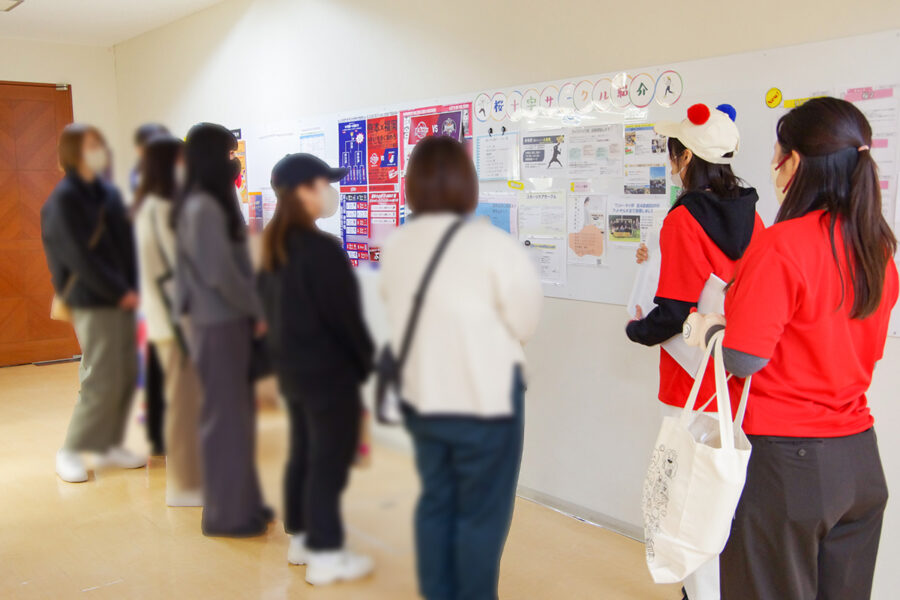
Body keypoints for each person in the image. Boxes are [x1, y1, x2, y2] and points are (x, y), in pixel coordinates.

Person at [699, 97, 897, 599]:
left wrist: (707, 328)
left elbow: (745, 359)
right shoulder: (878, 250)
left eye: (777, 150)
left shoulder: (783, 244)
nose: (771, 163)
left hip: (787, 468)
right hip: (859, 463)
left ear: (796, 163)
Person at [379, 136, 543, 600]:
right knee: (481, 515)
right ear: (467, 185)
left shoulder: (398, 248)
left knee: (436, 503)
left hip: (426, 395)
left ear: (411, 186)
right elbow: (524, 322)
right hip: (490, 397)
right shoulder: (493, 246)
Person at [625, 103, 763, 600]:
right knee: (723, 494)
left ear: (686, 159)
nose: (670, 163)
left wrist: (635, 330)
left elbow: (672, 311)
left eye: (672, 153)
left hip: (688, 383)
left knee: (687, 496)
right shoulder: (757, 217)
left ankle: (700, 594)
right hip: (738, 380)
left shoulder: (683, 220)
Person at [258, 153, 375, 585]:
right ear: (304, 191)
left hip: (291, 370)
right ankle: (325, 554)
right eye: (326, 183)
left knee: (303, 453)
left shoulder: (271, 241)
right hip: (328, 372)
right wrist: (365, 365)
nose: (333, 192)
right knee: (328, 460)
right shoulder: (320, 246)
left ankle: (301, 540)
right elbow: (345, 318)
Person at [173, 122, 271, 537]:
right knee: (226, 419)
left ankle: (241, 501)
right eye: (231, 154)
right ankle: (224, 513)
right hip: (219, 323)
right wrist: (257, 309)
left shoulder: (209, 204)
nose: (236, 161)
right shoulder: (202, 208)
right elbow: (220, 275)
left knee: (238, 417)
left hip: (224, 321)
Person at [41, 123, 146, 483]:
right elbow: (78, 259)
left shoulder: (105, 194)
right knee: (99, 374)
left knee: (122, 373)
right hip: (90, 299)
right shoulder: (64, 200)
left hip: (122, 297)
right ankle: (69, 450)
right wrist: (120, 291)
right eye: (90, 146)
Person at [133, 134, 203, 507]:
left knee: (181, 400)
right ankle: (183, 485)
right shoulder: (161, 209)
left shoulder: (149, 206)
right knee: (183, 402)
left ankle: (186, 480)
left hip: (165, 320)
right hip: (177, 322)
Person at [132, 123, 171, 458]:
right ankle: (164, 437)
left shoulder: (145, 203)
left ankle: (158, 437)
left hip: (155, 305)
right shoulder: (161, 208)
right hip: (169, 305)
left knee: (158, 372)